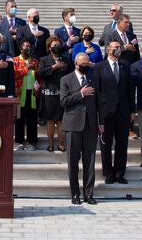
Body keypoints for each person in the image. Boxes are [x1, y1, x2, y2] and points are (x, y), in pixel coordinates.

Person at [60, 52, 98, 205]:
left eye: (88, 64)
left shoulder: (92, 79)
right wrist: (80, 94)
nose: (86, 66)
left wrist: (99, 123)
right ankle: (74, 194)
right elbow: (63, 101)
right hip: (73, 125)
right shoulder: (66, 79)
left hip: (90, 125)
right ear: (76, 64)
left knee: (90, 162)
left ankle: (88, 194)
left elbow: (97, 102)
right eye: (84, 64)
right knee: (73, 162)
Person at [94, 41, 134, 184]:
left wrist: (132, 111)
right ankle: (108, 173)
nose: (119, 49)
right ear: (108, 50)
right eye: (116, 47)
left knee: (122, 144)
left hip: (123, 111)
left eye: (119, 47)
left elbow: (130, 89)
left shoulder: (124, 66)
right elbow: (96, 90)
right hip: (106, 111)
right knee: (106, 143)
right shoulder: (99, 67)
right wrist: (97, 111)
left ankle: (119, 173)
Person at [39, 36, 70, 152]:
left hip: (62, 93)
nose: (57, 47)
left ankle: (61, 143)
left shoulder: (66, 59)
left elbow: (71, 73)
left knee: (61, 119)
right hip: (49, 94)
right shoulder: (44, 59)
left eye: (58, 45)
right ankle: (50, 143)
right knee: (50, 120)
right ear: (49, 47)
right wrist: (53, 67)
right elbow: (41, 72)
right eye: (54, 45)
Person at [13, 39, 40, 150]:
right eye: (26, 46)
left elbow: (39, 76)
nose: (28, 48)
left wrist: (36, 70)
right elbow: (15, 75)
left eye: (29, 46)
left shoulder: (34, 61)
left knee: (32, 117)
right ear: (21, 48)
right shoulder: (15, 61)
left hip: (32, 92)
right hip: (20, 92)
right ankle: (19, 141)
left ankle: (31, 141)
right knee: (20, 117)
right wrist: (26, 68)